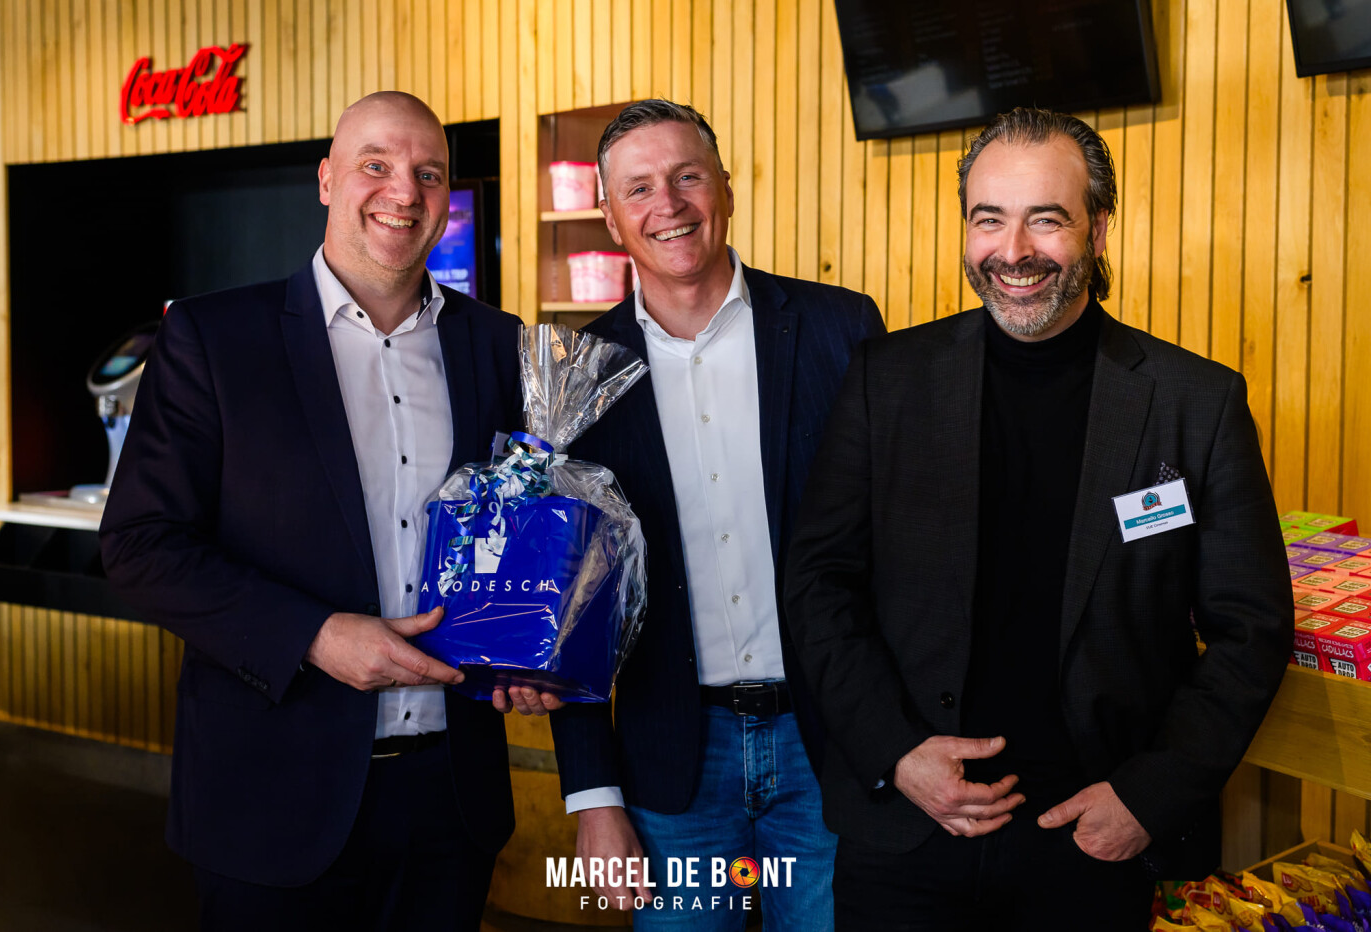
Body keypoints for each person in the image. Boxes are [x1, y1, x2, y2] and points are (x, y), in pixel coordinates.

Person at [784, 107, 1292, 931]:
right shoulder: (888, 378)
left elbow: (1252, 628)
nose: (1013, 250)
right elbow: (818, 583)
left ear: (1098, 227)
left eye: (1046, 219)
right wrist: (896, 753)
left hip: (1092, 842)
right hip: (909, 834)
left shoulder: (1196, 403)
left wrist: (1148, 794)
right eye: (989, 218)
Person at [100, 91, 555, 932]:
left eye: (428, 173)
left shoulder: (498, 343)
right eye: (376, 165)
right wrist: (313, 636)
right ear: (325, 180)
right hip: (269, 795)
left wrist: (532, 643)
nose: (403, 192)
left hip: (450, 798)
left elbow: (519, 526)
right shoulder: (213, 337)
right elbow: (139, 545)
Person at [548, 99, 885, 931]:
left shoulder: (842, 328)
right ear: (610, 216)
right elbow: (573, 605)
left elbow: (893, 544)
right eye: (639, 188)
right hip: (671, 765)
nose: (668, 203)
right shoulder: (579, 375)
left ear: (726, 188)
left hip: (831, 746)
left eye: (687, 176)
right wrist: (593, 795)